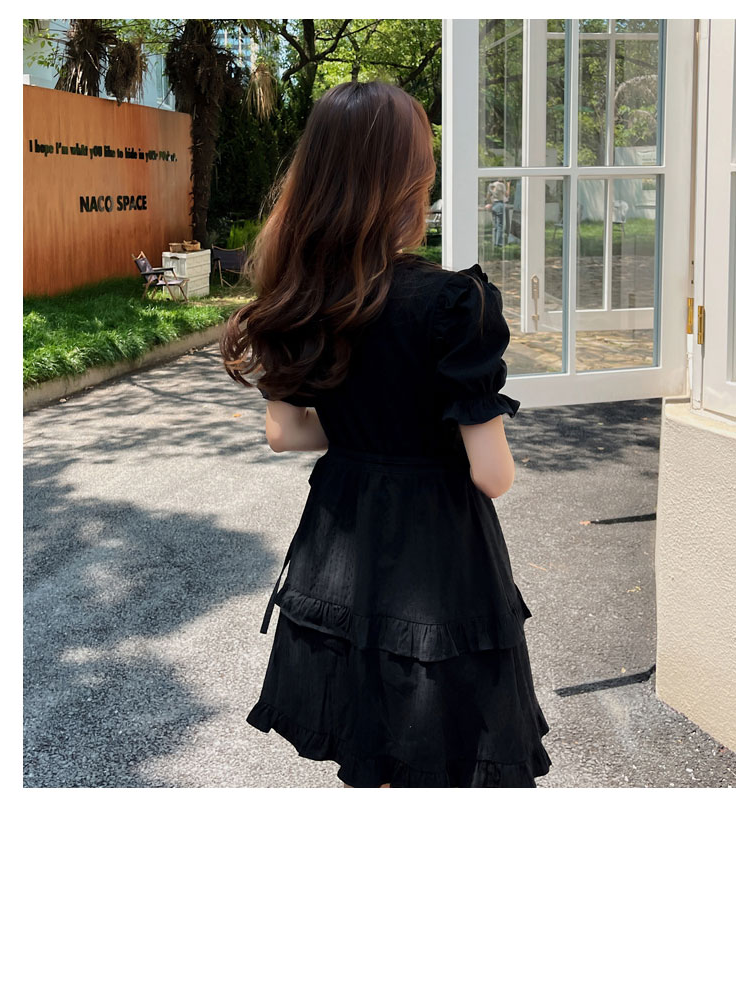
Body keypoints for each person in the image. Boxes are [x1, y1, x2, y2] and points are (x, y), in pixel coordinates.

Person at [220, 80, 551, 788]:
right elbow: (492, 474)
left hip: (342, 548)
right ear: (411, 179)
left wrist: (364, 429)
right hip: (439, 557)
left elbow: (286, 433)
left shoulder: (299, 295)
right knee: (443, 749)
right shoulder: (453, 302)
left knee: (369, 745)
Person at [486, 179, 508, 247]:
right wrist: (508, 185)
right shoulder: (501, 185)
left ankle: (494, 243)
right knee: (500, 225)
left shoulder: (491, 185)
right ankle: (499, 243)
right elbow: (506, 195)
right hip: (499, 204)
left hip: (494, 205)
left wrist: (490, 204)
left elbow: (488, 196)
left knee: (495, 226)